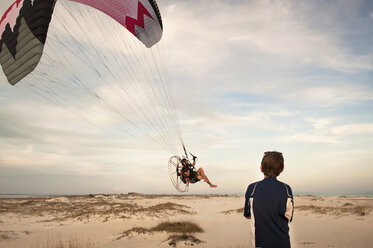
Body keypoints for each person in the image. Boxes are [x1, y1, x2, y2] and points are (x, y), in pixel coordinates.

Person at [244, 151, 294, 248]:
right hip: (283, 244)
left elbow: (247, 214)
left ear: (261, 168)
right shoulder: (287, 189)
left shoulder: (252, 188)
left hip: (259, 244)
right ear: (282, 169)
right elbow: (289, 217)